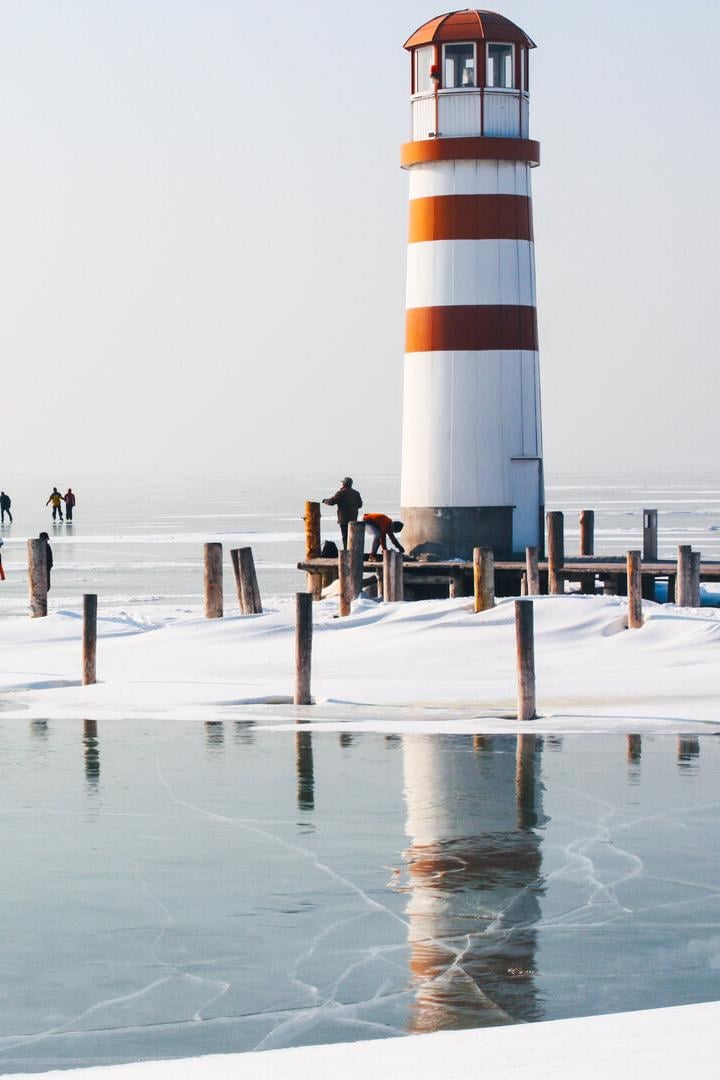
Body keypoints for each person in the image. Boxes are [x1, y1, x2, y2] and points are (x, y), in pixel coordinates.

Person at [322, 477, 363, 549]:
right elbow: (360, 505)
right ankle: (353, 551)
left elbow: (331, 502)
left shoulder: (341, 493)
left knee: (345, 536)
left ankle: (346, 552)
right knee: (352, 536)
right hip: (354, 519)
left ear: (344, 484)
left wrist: (325, 500)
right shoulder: (356, 493)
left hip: (344, 520)